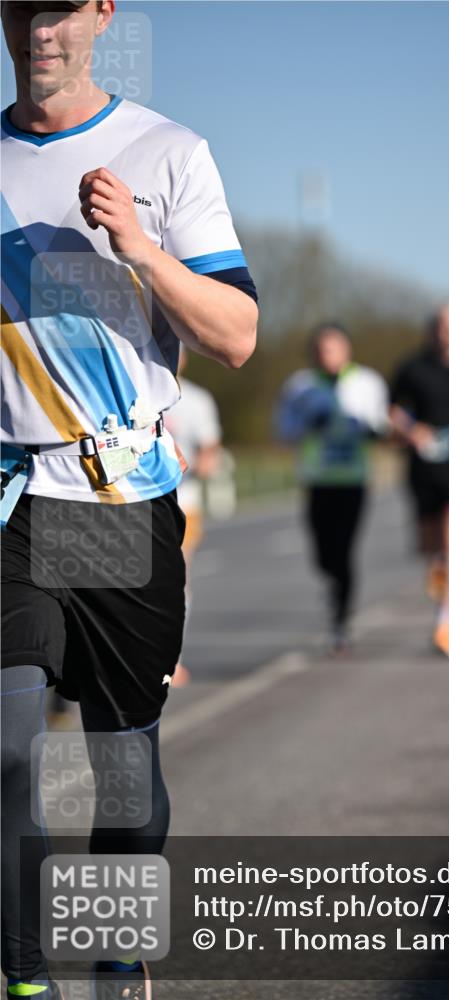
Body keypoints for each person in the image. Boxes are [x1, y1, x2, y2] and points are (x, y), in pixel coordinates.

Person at [0, 3, 258, 998]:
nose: (38, 29)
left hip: (119, 499)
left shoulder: (166, 152)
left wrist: (142, 249)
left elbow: (234, 333)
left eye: (60, 7)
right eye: (19, 7)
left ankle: (117, 962)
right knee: (8, 750)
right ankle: (25, 978)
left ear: (104, 10)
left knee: (124, 771)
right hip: (13, 494)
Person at [275, 323, 388, 653]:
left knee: (344, 549)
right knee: (323, 556)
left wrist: (367, 428)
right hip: (317, 479)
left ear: (347, 349)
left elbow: (382, 425)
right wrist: (308, 424)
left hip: (353, 480)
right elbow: (282, 429)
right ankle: (337, 588)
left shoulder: (367, 382)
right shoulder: (300, 386)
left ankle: (341, 619)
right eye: (321, 349)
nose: (327, 355)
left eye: (333, 348)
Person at [389, 303, 449, 658]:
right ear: (433, 331)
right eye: (444, 327)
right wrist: (410, 430)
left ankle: (448, 623)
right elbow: (392, 412)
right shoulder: (412, 369)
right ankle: (441, 590)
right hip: (424, 470)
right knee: (432, 551)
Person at [163, 347, 224, 688]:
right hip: (135, 502)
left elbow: (210, 449)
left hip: (183, 503)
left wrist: (200, 463)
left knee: (176, 578)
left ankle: (173, 658)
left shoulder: (198, 400)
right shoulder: (133, 387)